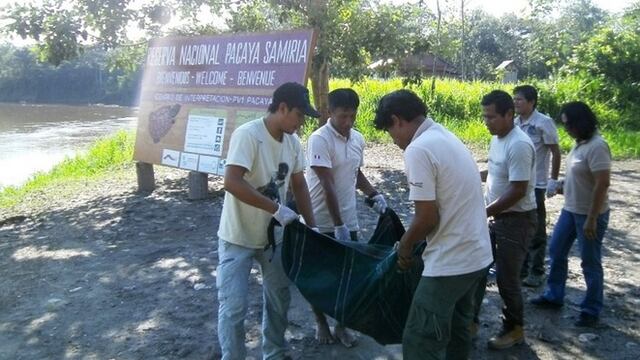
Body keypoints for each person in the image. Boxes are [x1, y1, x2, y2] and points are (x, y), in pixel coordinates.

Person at [373, 89, 493, 359]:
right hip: (478, 255)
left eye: (392, 134)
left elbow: (427, 218)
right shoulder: (445, 136)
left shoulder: (419, 148)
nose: (395, 142)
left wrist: (404, 247)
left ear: (398, 120)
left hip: (452, 261)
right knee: (457, 329)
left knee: (420, 338)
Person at [216, 82, 319, 360]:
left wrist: (313, 226)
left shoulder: (293, 143)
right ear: (282, 108)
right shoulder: (248, 135)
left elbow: (299, 186)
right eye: (299, 115)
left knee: (278, 298)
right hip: (237, 236)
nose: (301, 122)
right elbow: (232, 182)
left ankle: (274, 352)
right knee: (234, 305)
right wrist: (276, 208)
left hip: (273, 240)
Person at [305, 88, 386, 347]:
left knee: (351, 277)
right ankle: (321, 323)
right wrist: (337, 224)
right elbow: (327, 183)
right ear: (330, 112)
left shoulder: (358, 139)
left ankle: (341, 325)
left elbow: (355, 172)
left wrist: (374, 194)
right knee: (318, 276)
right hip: (321, 221)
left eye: (352, 116)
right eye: (342, 116)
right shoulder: (319, 139)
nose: (348, 122)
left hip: (349, 219)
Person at [530, 101, 611, 328]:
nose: (567, 130)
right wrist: (561, 185)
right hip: (570, 209)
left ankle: (591, 309)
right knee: (556, 250)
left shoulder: (597, 146)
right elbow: (582, 177)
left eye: (569, 125)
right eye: (564, 125)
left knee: (590, 262)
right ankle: (554, 295)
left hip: (589, 214)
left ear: (581, 122)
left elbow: (602, 184)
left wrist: (593, 218)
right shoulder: (580, 144)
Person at [476, 90, 537, 350]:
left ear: (509, 114)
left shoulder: (519, 144)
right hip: (496, 217)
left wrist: (484, 212)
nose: (487, 122)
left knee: (507, 279)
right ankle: (470, 321)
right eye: (485, 117)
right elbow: (497, 170)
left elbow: (518, 189)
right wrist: (469, 174)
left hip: (516, 220)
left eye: (491, 117)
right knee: (476, 268)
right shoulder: (498, 138)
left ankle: (514, 329)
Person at [513, 85, 561, 287]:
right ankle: (522, 269)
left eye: (520, 99)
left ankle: (537, 271)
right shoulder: (514, 123)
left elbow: (555, 152)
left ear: (531, 102)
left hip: (538, 184)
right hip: (519, 182)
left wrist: (553, 180)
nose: (516, 103)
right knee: (520, 226)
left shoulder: (543, 123)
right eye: (514, 99)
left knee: (537, 229)